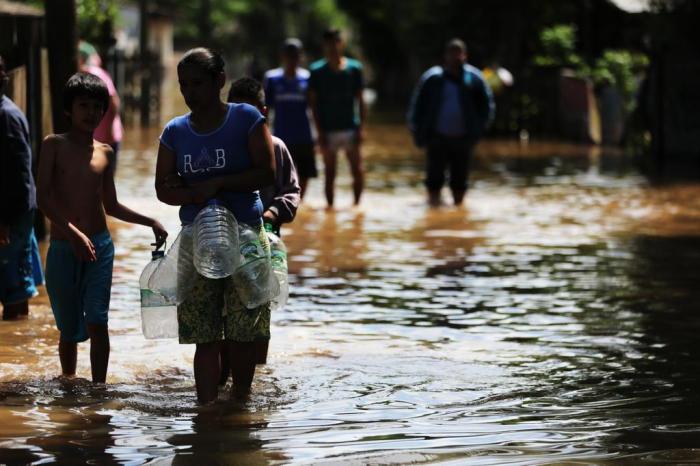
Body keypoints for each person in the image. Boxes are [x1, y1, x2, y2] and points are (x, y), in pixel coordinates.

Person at [154, 48, 276, 403]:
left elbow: (266, 172)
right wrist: (193, 195)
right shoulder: (175, 132)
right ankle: (205, 410)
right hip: (197, 240)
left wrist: (217, 184)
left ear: (219, 81)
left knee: (243, 331)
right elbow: (163, 189)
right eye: (183, 86)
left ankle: (240, 404)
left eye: (197, 84)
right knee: (203, 334)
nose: (190, 93)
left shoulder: (246, 119)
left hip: (246, 235)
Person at [37, 72, 168, 383]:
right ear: (68, 109)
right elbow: (42, 199)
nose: (92, 113)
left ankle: (99, 389)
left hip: (99, 247)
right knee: (68, 328)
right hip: (63, 248)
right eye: (84, 106)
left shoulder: (105, 151)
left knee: (98, 320)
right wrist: (73, 233)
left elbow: (111, 206)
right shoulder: (53, 145)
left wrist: (150, 221)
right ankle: (68, 381)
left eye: (98, 107)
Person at [220, 76, 301, 385]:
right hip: (223, 242)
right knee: (225, 313)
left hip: (262, 242)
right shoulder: (221, 146)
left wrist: (271, 213)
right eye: (235, 110)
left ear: (262, 112)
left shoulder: (276, 148)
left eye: (249, 111)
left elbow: (291, 192)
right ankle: (224, 375)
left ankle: (258, 375)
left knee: (259, 308)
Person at [408, 38, 495, 207]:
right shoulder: (433, 79)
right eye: (452, 53)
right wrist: (416, 131)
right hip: (436, 138)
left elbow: (487, 106)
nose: (455, 57)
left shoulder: (475, 79)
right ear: (445, 56)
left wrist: (479, 130)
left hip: (463, 139)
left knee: (460, 181)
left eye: (458, 53)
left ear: (465, 56)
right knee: (434, 180)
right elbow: (417, 106)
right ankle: (434, 211)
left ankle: (458, 211)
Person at [0, 54, 44, 321]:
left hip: (11, 216)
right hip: (10, 213)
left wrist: (5, 220)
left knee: (14, 291)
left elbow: (19, 176)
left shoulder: (6, 116)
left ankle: (19, 345)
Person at [308, 28, 366, 208]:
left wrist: (361, 128)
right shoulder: (317, 71)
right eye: (329, 43)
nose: (333, 47)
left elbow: (361, 100)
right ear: (324, 46)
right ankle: (330, 209)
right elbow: (313, 105)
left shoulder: (354, 68)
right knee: (330, 173)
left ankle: (357, 207)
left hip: (350, 127)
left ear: (342, 44)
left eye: (336, 42)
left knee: (357, 170)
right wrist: (319, 132)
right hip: (328, 129)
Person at [263, 39, 315, 199]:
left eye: (296, 55)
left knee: (305, 175)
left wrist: (318, 135)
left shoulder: (307, 78)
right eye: (289, 55)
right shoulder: (272, 78)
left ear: (301, 57)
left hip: (304, 136)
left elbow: (314, 108)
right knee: (280, 176)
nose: (292, 59)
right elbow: (265, 109)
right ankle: (284, 202)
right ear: (282, 56)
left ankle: (300, 203)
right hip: (282, 136)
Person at [79, 41, 124, 167]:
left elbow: (113, 101)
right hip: (97, 137)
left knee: (104, 179)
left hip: (106, 137)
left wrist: (108, 132)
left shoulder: (94, 74)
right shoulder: (82, 75)